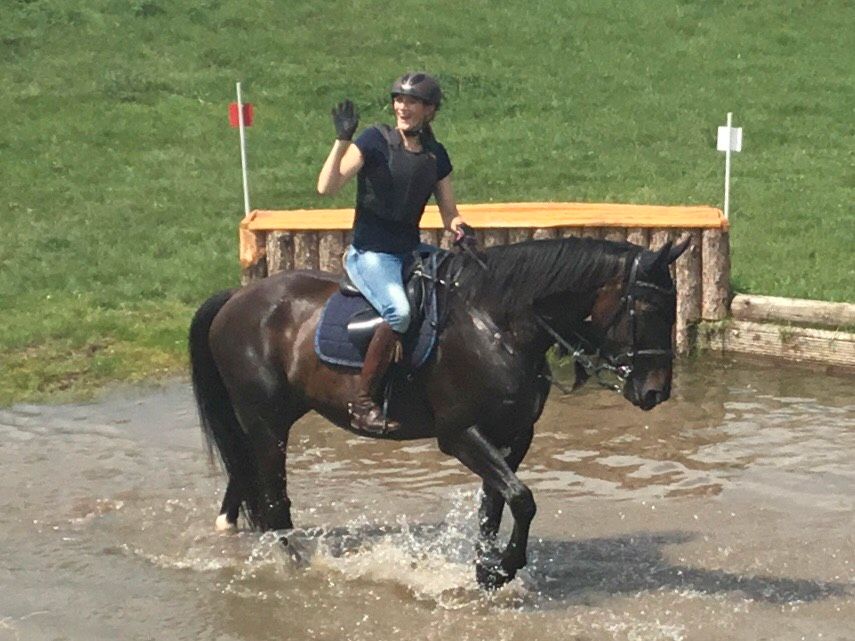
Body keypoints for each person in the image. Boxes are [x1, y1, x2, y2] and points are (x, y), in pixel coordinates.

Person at [317, 72, 473, 435]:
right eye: (399, 100)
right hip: (371, 254)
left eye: (412, 102)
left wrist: (461, 228)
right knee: (399, 312)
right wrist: (342, 140)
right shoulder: (374, 140)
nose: (403, 108)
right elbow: (328, 186)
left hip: (410, 251)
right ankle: (363, 402)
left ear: (429, 110)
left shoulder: (436, 155)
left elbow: (450, 211)